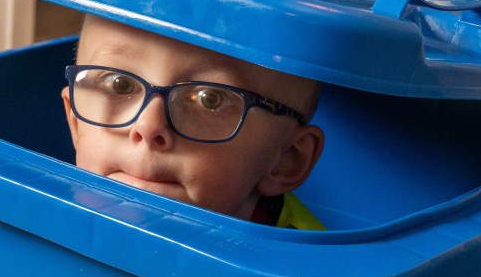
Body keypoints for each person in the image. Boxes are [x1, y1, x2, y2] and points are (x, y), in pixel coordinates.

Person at [61, 15, 326, 228]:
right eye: (120, 84)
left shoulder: (306, 276)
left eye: (209, 99)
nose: (148, 126)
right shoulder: (42, 217)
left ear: (286, 159)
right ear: (75, 121)